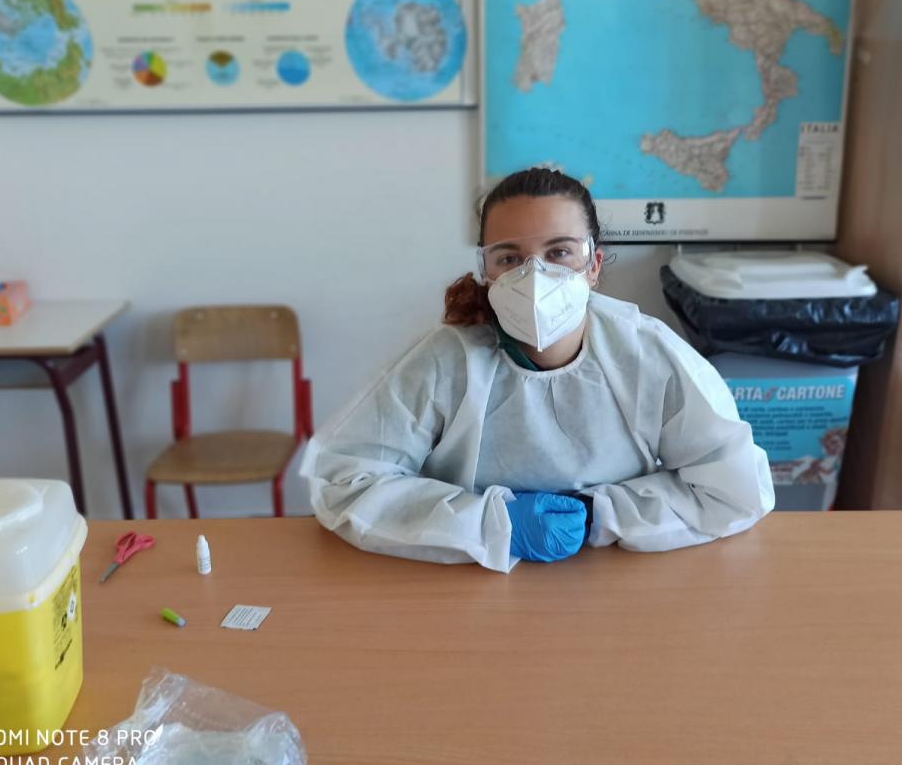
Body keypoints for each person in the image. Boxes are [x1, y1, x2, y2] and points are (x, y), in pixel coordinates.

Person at [301, 168, 774, 572]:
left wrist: (598, 515)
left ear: (594, 264)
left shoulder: (648, 355)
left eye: (559, 252)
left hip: (613, 577)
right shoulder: (446, 360)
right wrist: (492, 523)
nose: (534, 276)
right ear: (486, 270)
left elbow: (734, 489)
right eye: (509, 258)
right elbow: (343, 481)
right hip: (467, 575)